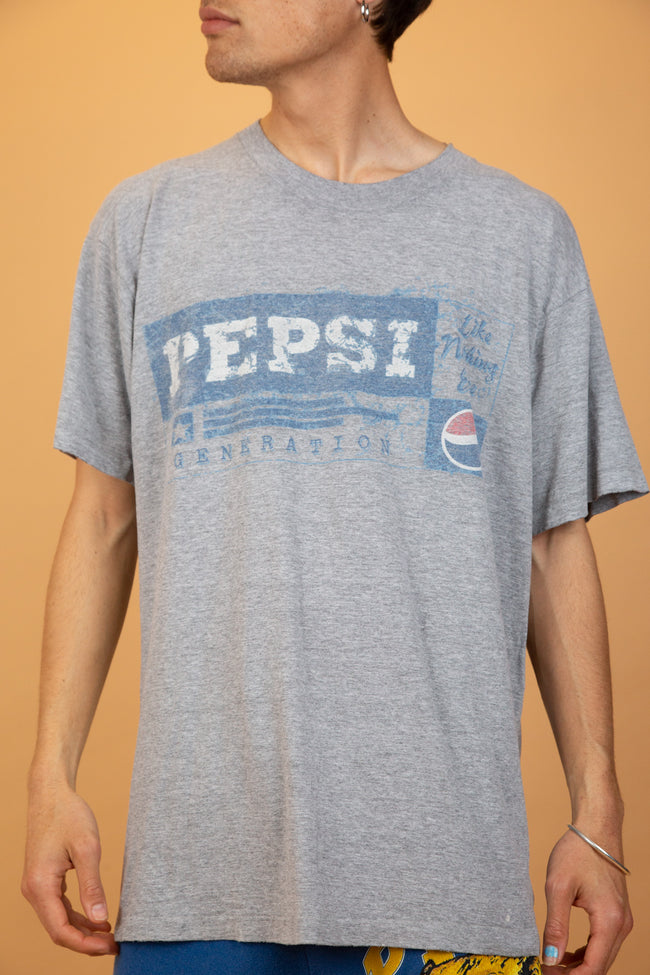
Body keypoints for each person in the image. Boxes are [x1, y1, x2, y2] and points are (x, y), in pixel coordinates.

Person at [21, 1, 647, 973]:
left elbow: (548, 538)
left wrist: (596, 819)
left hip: (441, 879)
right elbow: (103, 516)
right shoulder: (145, 222)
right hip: (201, 881)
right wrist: (50, 778)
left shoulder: (519, 237)